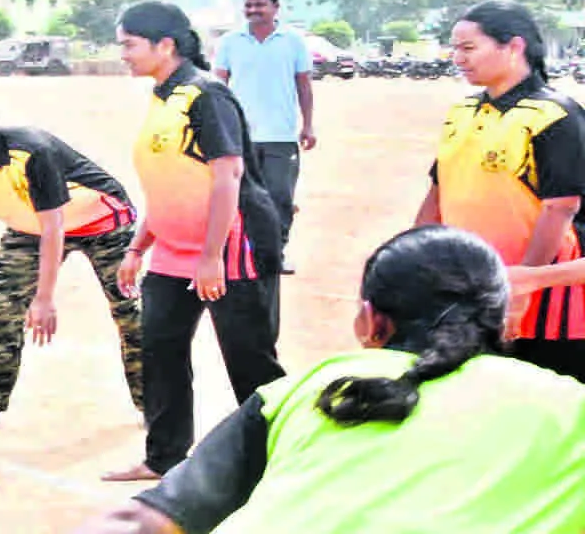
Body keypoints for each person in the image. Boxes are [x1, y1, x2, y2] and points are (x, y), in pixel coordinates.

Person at [72, 225, 585, 534]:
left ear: (368, 321)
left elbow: (144, 521)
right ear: (505, 322)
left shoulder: (306, 388)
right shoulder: (569, 408)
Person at [103, 1, 286, 482]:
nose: (122, 53)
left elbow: (228, 177)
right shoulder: (163, 96)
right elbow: (166, 184)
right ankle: (163, 457)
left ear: (165, 46)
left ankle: (283, 459)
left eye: (128, 44)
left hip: (231, 249)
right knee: (160, 349)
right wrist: (137, 248)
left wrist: (211, 258)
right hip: (171, 251)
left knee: (249, 360)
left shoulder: (207, 96)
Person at [0, 93, 144, 434]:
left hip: (101, 222)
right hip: (33, 226)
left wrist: (44, 298)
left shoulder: (29, 151)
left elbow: (54, 227)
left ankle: (156, 407)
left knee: (131, 312)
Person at [415, 0, 585, 384]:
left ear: (513, 47)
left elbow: (560, 208)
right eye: (454, 47)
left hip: (544, 299)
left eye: (469, 48)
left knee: (549, 402)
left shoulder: (553, 116)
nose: (457, 57)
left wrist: (522, 288)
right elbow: (439, 191)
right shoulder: (462, 112)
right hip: (471, 284)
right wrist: (413, 256)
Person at [213, 0, 315, 275]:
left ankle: (276, 253)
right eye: (249, 6)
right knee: (239, 196)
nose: (254, 11)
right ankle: (239, 253)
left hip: (281, 136)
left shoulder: (293, 41)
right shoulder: (230, 42)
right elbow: (218, 86)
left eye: (260, 5)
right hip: (238, 137)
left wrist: (307, 125)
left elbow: (304, 86)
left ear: (275, 7)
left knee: (280, 197)